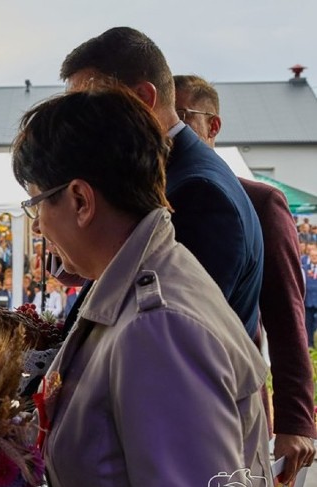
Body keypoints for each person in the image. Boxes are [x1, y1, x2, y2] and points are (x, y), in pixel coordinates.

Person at [0, 86, 293, 487]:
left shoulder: (159, 328)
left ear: (81, 200)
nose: (37, 226)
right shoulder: (146, 280)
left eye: (36, 204)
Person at [59, 27, 264, 340]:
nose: (78, 124)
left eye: (90, 107)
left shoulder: (200, 193)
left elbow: (170, 337)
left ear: (143, 98)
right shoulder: (154, 171)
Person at [174, 74, 315, 482]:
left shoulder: (259, 201)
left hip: (231, 398)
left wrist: (295, 421)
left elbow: (288, 317)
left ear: (212, 126)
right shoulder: (149, 199)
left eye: (184, 116)